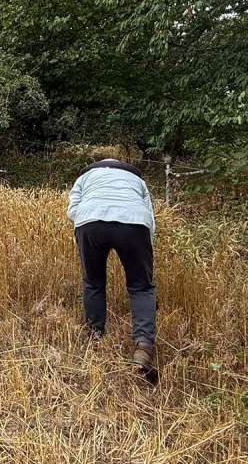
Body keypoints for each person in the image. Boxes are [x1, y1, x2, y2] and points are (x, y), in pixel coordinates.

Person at [67, 157, 157, 375]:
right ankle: (143, 348)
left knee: (93, 283)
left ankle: (95, 337)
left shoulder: (85, 177)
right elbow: (150, 218)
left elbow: (72, 210)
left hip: (90, 222)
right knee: (141, 287)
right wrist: (145, 256)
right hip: (135, 224)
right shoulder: (137, 181)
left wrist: (86, 225)